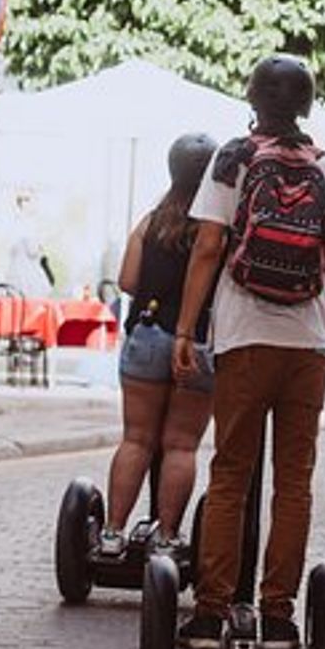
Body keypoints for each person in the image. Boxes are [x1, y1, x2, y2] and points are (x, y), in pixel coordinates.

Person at [172, 54, 325, 649]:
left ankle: (210, 614)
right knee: (293, 483)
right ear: (306, 105)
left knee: (230, 475)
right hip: (308, 344)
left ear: (253, 100)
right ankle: (279, 616)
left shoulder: (233, 160)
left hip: (244, 336)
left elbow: (205, 249)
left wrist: (183, 331)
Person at [98, 133, 221, 556]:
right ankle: (168, 537)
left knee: (136, 439)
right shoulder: (218, 229)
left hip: (147, 335)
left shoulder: (151, 221)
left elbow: (128, 281)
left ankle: (112, 533)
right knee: (181, 445)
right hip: (199, 342)